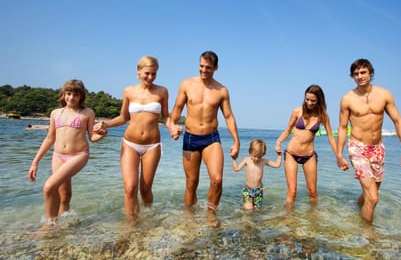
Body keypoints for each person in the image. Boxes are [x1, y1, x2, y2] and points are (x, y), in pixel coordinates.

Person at [336, 58, 401, 223]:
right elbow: (342, 127)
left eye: (363, 72)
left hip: (378, 149)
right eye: (356, 74)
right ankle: (368, 240)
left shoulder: (384, 94)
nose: (360, 76)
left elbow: (398, 121)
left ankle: (356, 208)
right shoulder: (347, 99)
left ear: (370, 73)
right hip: (357, 148)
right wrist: (339, 154)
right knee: (373, 198)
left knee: (369, 194)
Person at [94, 56, 170, 217]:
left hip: (152, 145)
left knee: (145, 189)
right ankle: (130, 225)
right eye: (147, 73)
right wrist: (105, 124)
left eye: (154, 74)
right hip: (130, 143)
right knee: (130, 188)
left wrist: (173, 127)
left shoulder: (162, 91)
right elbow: (123, 118)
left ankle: (148, 218)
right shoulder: (128, 91)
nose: (150, 77)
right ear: (138, 72)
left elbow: (166, 118)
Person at [169, 51, 240, 222]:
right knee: (191, 183)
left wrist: (236, 141)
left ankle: (211, 214)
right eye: (201, 66)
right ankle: (189, 217)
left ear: (215, 68)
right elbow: (177, 110)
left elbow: (229, 116)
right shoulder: (186, 84)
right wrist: (172, 125)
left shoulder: (221, 90)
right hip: (191, 137)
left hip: (211, 138)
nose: (203, 70)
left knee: (217, 179)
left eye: (208, 67)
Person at [27, 79, 107, 228]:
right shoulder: (55, 113)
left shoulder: (87, 112)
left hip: (78, 155)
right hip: (58, 156)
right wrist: (35, 162)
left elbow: (92, 137)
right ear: (63, 94)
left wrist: (102, 134)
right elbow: (50, 138)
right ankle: (63, 223)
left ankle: (48, 226)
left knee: (49, 186)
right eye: (68, 94)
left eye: (75, 95)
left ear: (81, 96)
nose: (71, 98)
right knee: (64, 194)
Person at [275, 84, 337, 208]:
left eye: (313, 100)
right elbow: (288, 130)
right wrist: (278, 142)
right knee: (292, 192)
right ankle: (289, 220)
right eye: (307, 99)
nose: (309, 102)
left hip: (309, 156)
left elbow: (330, 137)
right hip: (291, 154)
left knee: (312, 191)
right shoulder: (297, 111)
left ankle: (313, 219)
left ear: (319, 100)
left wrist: (339, 156)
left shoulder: (323, 116)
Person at [231, 139, 282, 210]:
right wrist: (234, 159)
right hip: (247, 189)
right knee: (249, 208)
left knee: (257, 209)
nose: (257, 159)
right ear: (250, 152)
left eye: (260, 156)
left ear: (263, 155)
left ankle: (255, 220)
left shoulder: (263, 161)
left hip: (258, 190)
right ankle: (245, 216)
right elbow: (236, 169)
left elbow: (277, 165)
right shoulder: (247, 160)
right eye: (254, 156)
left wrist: (279, 155)